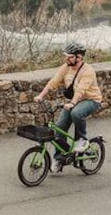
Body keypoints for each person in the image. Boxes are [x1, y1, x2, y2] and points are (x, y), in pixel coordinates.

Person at [34, 42, 103, 173]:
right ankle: (60, 159)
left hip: (91, 100)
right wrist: (41, 96)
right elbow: (53, 82)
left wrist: (72, 103)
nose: (67, 59)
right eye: (66, 56)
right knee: (59, 130)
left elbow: (81, 90)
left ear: (79, 57)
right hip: (73, 101)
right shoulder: (66, 67)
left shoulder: (88, 71)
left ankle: (81, 140)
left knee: (76, 113)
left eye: (70, 57)